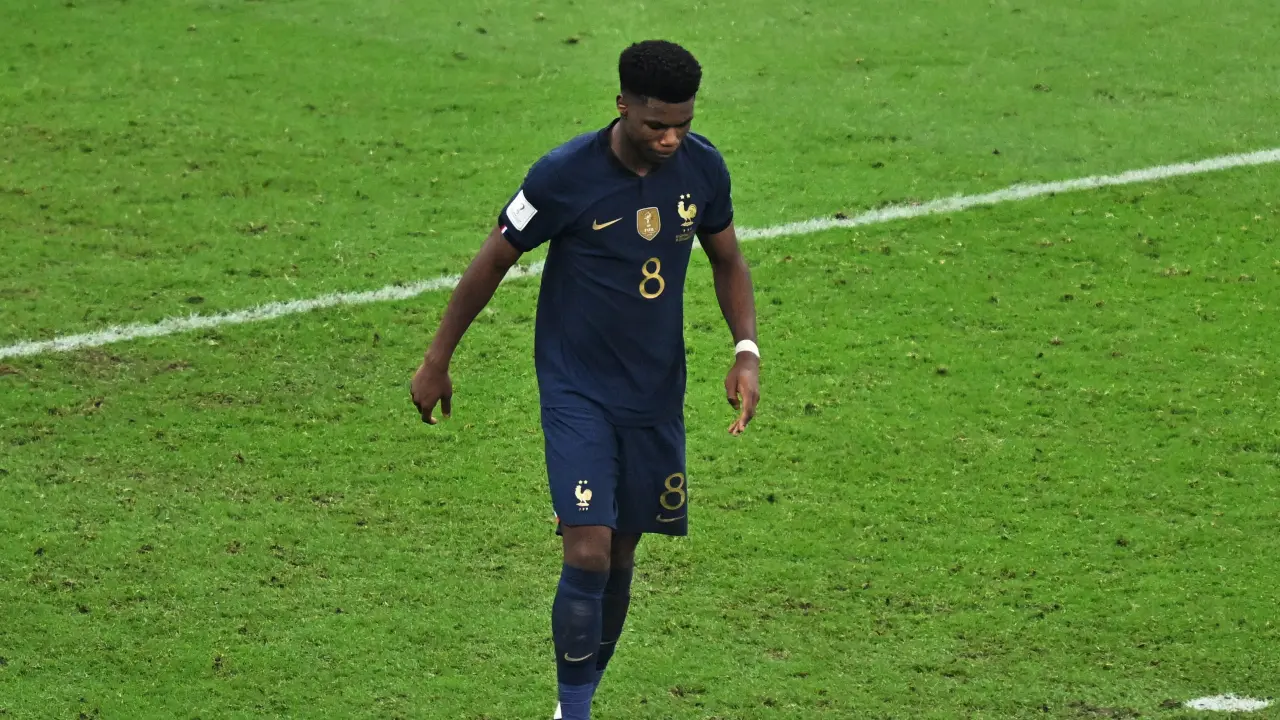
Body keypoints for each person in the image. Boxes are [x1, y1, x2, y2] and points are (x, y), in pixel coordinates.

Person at [409, 39, 761, 720]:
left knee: (622, 554)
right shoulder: (563, 175)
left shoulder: (702, 168)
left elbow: (727, 259)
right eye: (657, 124)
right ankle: (573, 713)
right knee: (590, 550)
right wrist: (437, 359)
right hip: (577, 387)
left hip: (655, 390)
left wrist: (745, 349)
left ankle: (577, 701)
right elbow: (493, 260)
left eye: (683, 124)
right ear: (622, 105)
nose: (671, 139)